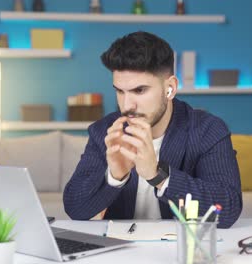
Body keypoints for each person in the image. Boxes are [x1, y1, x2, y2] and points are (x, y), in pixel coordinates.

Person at [63, 31, 242, 228]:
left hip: (182, 251)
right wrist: (114, 176)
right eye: (119, 91)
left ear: (170, 88)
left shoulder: (207, 130)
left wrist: (158, 175)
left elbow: (227, 208)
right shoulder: (105, 131)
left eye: (139, 90)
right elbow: (75, 208)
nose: (127, 105)